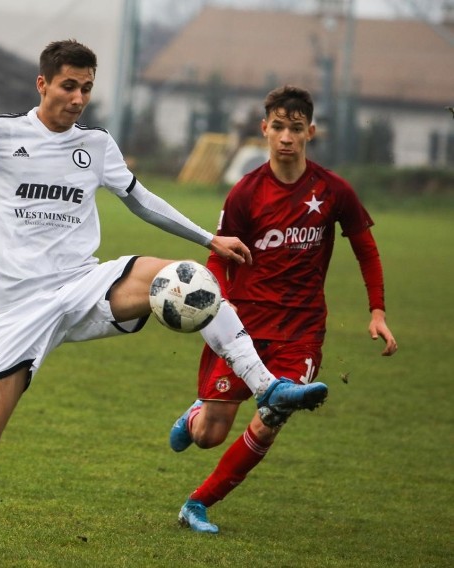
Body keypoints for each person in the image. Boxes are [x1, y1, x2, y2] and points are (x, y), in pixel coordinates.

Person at [0, 41, 328, 566]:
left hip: (86, 284)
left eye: (86, 88)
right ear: (42, 84)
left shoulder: (97, 144)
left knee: (191, 280)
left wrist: (207, 239)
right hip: (18, 311)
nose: (79, 98)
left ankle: (270, 387)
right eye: (69, 86)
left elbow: (139, 199)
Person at [169, 85, 398, 534]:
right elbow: (219, 253)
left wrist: (377, 311)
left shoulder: (333, 190)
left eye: (296, 128)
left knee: (272, 417)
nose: (286, 137)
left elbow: (366, 249)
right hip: (244, 327)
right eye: (278, 127)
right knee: (208, 436)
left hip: (302, 330)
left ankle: (197, 504)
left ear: (311, 131)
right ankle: (195, 414)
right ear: (265, 130)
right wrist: (218, 297)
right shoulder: (246, 192)